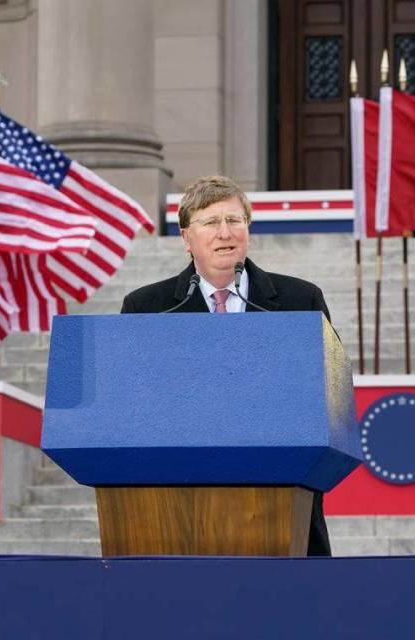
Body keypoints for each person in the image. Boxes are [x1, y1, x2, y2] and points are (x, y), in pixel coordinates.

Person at [120, 174, 333, 556]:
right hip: (179, 508)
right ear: (187, 238)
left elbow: (325, 397)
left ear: (248, 229)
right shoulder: (147, 308)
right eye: (211, 222)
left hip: (281, 502)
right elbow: (133, 409)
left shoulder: (301, 300)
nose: (225, 232)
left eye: (234, 220)